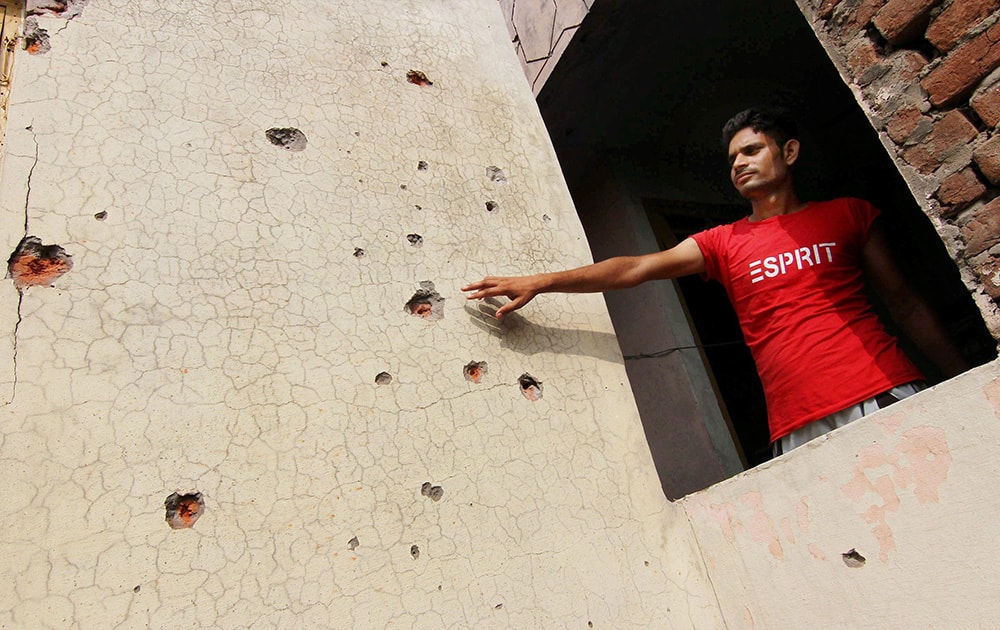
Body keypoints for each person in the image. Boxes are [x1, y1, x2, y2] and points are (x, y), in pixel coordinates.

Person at [462, 107, 968, 455]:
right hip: (796, 422)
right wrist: (543, 280)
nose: (739, 164)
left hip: (881, 388)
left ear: (788, 152)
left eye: (750, 150)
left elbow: (906, 304)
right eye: (732, 160)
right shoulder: (722, 242)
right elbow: (635, 267)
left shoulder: (849, 214)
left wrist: (967, 379)